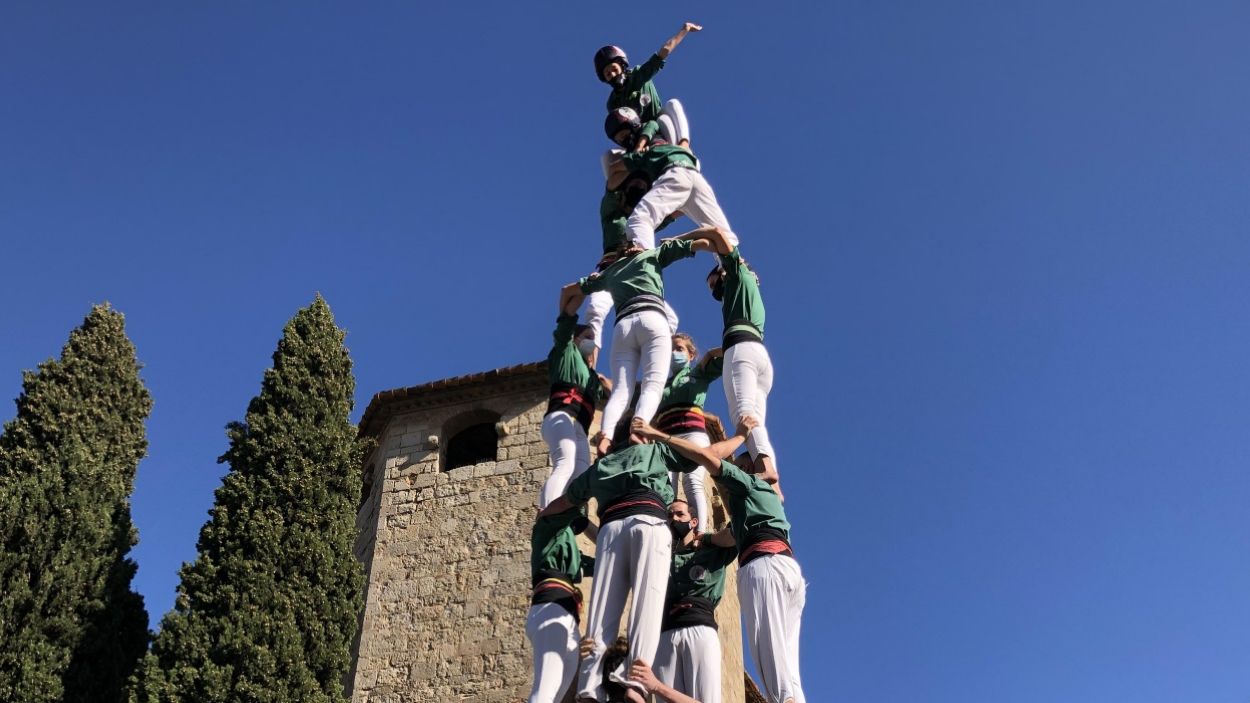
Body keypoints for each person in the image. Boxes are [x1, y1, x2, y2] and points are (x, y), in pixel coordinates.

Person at [537, 416, 746, 703]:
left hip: (611, 528)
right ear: (640, 436)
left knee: (603, 610)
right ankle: (636, 684)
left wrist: (545, 514)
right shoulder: (654, 451)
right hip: (648, 521)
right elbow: (708, 455)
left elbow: (565, 502)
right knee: (648, 602)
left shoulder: (602, 466)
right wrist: (739, 438)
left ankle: (589, 687)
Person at [633, 419, 805, 703]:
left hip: (764, 567)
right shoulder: (768, 499)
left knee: (769, 658)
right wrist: (708, 538)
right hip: (787, 568)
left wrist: (658, 435)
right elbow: (729, 535)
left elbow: (705, 455)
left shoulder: (747, 485)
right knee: (788, 666)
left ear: (747, 470)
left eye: (736, 465)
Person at [560, 232, 723, 456]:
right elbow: (703, 243)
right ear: (638, 247)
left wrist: (564, 318)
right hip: (652, 319)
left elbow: (567, 290)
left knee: (621, 390)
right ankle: (639, 430)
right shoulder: (651, 256)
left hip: (623, 326)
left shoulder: (611, 271)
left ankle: (605, 436)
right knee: (653, 384)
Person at [598, 127, 738, 252]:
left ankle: (642, 255)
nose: (639, 186)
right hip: (695, 176)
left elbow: (613, 167)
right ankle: (734, 265)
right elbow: (675, 212)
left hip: (675, 175)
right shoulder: (614, 207)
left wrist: (637, 149)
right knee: (726, 236)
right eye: (636, 184)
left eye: (641, 185)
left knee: (641, 218)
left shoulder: (651, 153)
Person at [653, 498, 736, 703]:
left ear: (694, 521)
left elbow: (737, 531)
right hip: (666, 632)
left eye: (680, 514)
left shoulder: (713, 550)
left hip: (700, 627)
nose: (674, 519)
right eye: (669, 516)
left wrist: (707, 539)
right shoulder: (660, 556)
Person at [540, 300, 611, 509]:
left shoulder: (593, 379)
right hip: (561, 416)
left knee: (580, 472)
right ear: (575, 339)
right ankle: (546, 510)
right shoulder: (566, 353)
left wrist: (607, 385)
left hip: (579, 426)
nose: (592, 342)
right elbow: (564, 330)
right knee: (565, 462)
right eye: (587, 337)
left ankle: (567, 514)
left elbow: (619, 397)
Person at [594, 22, 702, 151]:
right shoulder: (613, 103)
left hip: (662, 125)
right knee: (611, 155)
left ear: (622, 66)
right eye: (607, 74)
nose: (612, 75)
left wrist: (685, 30)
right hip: (638, 137)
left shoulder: (637, 76)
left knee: (672, 105)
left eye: (614, 69)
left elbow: (663, 52)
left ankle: (684, 145)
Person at [527, 507, 597, 703]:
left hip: (566, 614)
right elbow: (558, 515)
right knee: (545, 691)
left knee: (556, 695)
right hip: (550, 608)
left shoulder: (570, 556)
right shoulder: (546, 528)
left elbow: (601, 563)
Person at [655, 333, 722, 525]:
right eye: (671, 350)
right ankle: (664, 527)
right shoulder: (661, 384)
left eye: (679, 349)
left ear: (691, 355)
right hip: (666, 436)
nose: (674, 353)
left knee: (692, 482)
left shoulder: (697, 374)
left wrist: (710, 354)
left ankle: (699, 531)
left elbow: (729, 355)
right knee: (664, 482)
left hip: (692, 432)